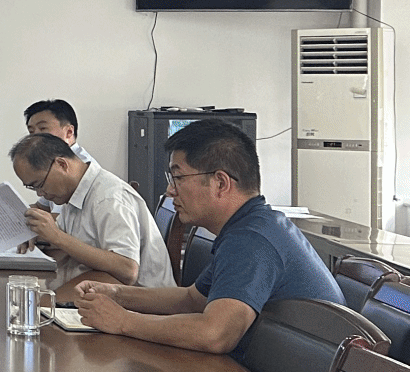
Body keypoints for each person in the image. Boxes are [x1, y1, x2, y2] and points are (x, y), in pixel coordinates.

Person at [73, 119, 341, 353]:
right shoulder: (247, 227)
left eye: (178, 178)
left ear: (220, 183)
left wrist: (123, 321)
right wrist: (117, 294)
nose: (169, 191)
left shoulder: (253, 239)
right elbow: (192, 300)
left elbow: (216, 334)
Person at [9, 132, 174, 296]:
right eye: (32, 188)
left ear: (62, 164)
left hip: (140, 302)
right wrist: (37, 235)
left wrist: (57, 237)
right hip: (96, 289)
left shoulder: (109, 198)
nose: (40, 194)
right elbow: (68, 245)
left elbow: (127, 270)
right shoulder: (72, 195)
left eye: (39, 184)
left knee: (29, 304)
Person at [24, 98, 94, 164]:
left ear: (69, 132)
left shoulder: (82, 165)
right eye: (31, 131)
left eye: (43, 128)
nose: (35, 136)